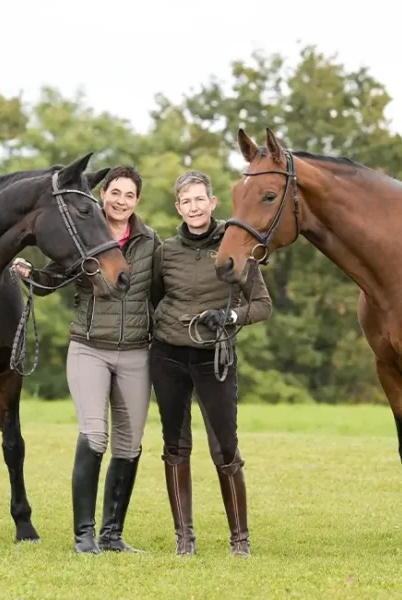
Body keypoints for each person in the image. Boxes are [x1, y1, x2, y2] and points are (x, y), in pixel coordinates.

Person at [11, 165, 160, 554]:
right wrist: (29, 273)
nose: (121, 201)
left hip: (136, 354)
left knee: (129, 445)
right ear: (103, 194)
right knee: (95, 435)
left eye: (129, 195)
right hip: (90, 349)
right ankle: (84, 536)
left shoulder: (151, 243)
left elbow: (163, 293)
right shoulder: (83, 237)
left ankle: (112, 536)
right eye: (115, 193)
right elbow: (51, 280)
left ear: (137, 201)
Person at [149, 170, 273, 557]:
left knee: (225, 447)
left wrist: (231, 317)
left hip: (214, 357)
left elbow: (263, 305)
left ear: (212, 202)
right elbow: (153, 298)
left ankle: (240, 538)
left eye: (199, 199)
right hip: (168, 355)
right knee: (175, 445)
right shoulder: (165, 251)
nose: (193, 207)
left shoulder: (234, 245)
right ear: (178, 208)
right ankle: (184, 537)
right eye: (186, 201)